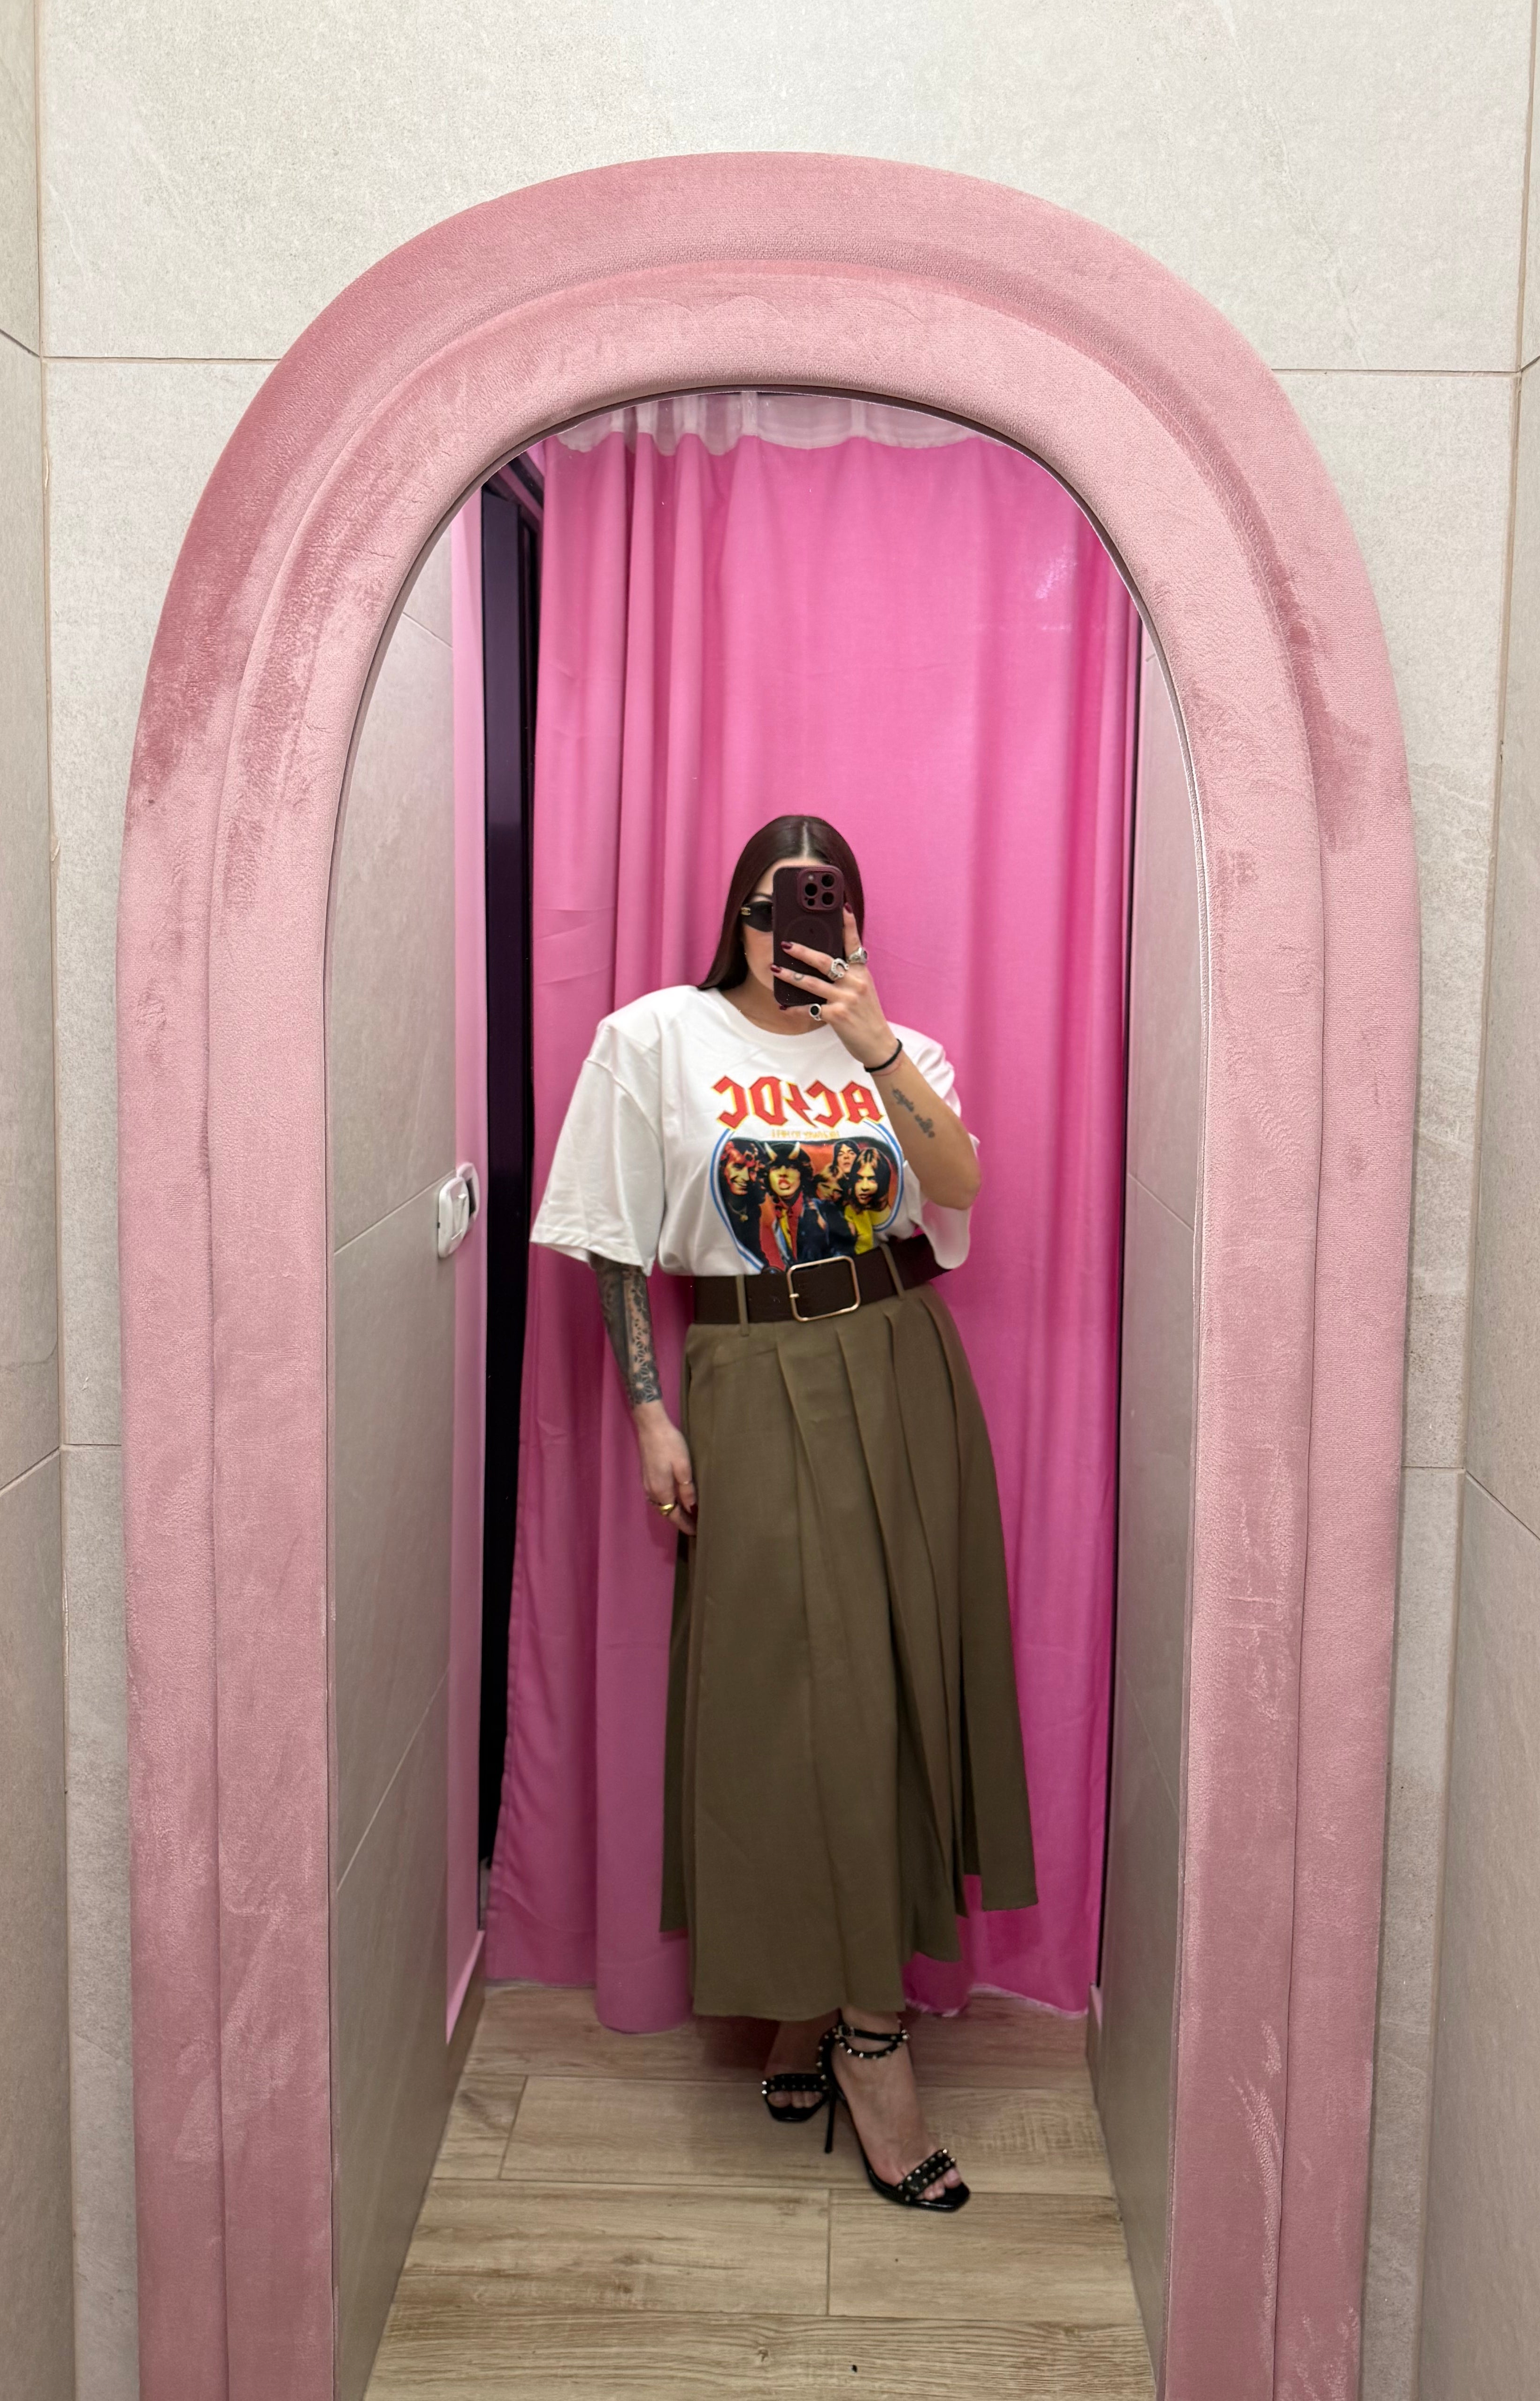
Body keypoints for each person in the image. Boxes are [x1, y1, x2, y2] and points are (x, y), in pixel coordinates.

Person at [532, 813, 1036, 2213]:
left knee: (887, 1693)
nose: (789, 932)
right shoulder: (656, 1039)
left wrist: (871, 1045)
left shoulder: (901, 1052)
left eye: (820, 908)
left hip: (897, 1368)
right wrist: (649, 1412)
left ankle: (859, 2026)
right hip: (747, 1376)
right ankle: (824, 1997)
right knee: (787, 1701)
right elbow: (614, 1236)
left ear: (853, 926)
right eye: (769, 907)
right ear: (735, 917)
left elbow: (960, 1188)